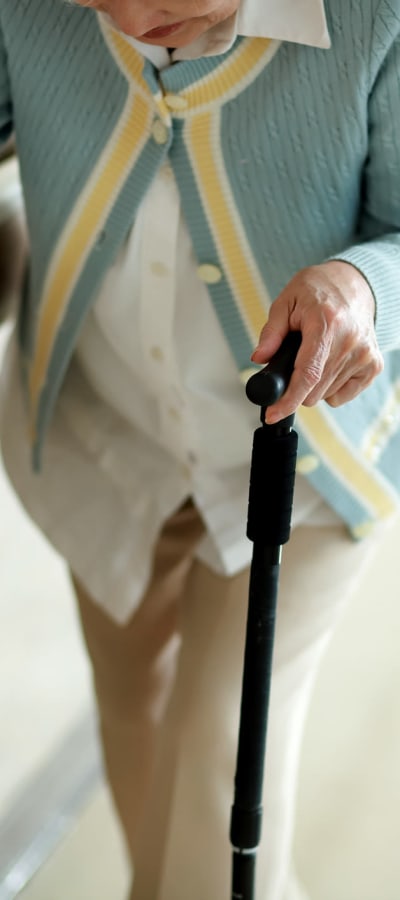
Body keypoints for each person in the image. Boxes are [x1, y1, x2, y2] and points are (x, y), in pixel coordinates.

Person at [1, 0, 400, 897]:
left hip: (297, 470)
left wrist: (361, 285)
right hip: (105, 438)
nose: (139, 24)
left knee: (218, 760)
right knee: (134, 718)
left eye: (182, 2)